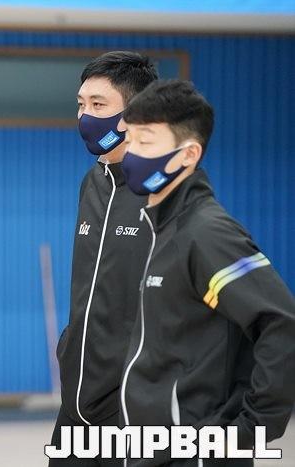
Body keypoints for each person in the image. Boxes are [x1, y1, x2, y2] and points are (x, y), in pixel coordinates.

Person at [119, 79, 295, 466]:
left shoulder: (207, 233)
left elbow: (281, 323)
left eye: (145, 142)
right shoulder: (164, 230)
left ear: (188, 154)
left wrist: (250, 429)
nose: (131, 154)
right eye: (129, 141)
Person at [49, 52, 158, 466]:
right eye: (81, 104)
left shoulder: (164, 192)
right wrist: (70, 346)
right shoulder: (93, 182)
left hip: (133, 412)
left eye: (98, 105)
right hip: (76, 400)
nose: (85, 116)